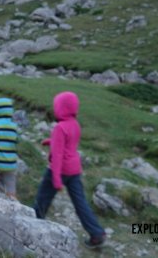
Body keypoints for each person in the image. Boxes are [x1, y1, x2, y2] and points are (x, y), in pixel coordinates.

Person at [34, 91, 106, 249]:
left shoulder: (60, 127)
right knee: (80, 203)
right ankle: (96, 234)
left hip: (59, 170)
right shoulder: (74, 124)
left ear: (61, 108)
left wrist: (56, 178)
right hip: (74, 170)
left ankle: (32, 227)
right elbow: (67, 143)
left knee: (42, 199)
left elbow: (58, 154)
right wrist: (50, 141)